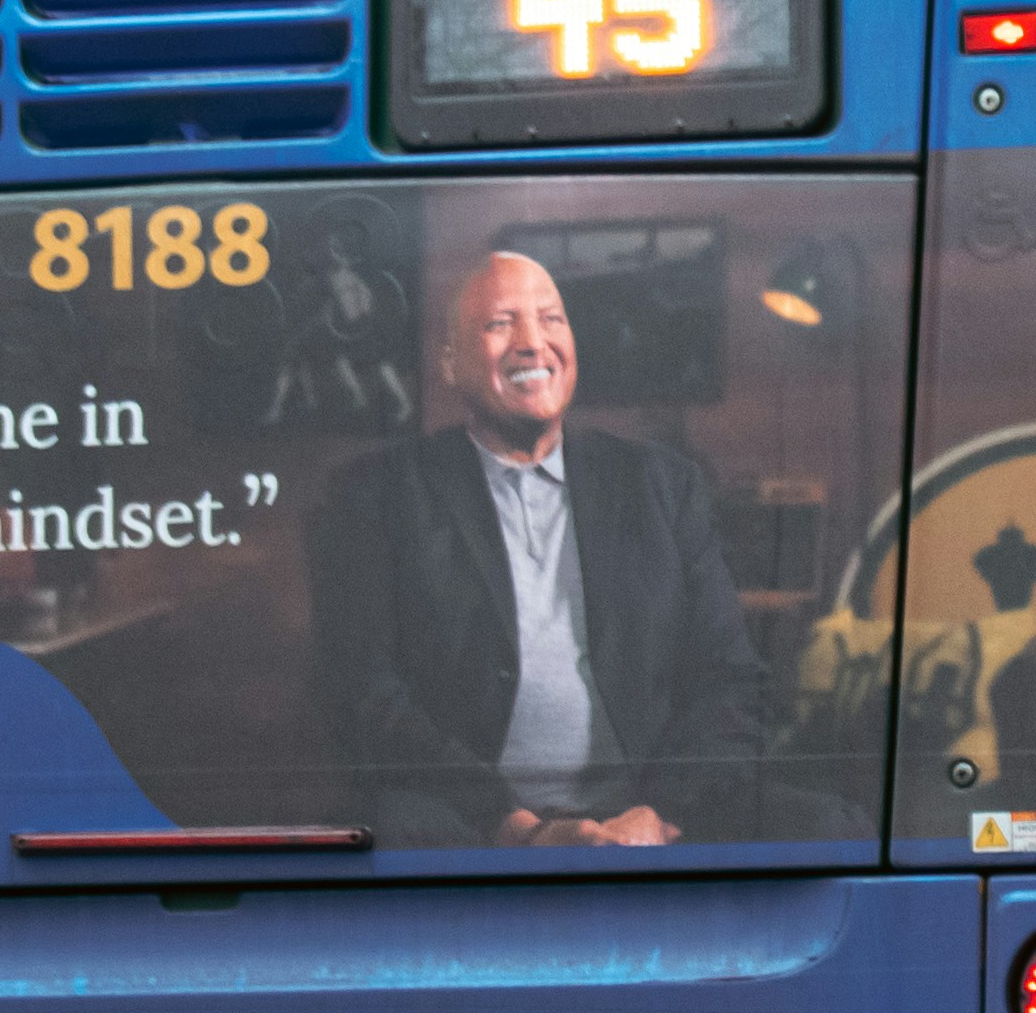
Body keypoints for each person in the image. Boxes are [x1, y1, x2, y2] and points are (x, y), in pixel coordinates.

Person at [319, 247, 767, 846]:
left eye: (551, 319)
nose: (533, 342)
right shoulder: (381, 494)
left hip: (647, 811)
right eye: (501, 324)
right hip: (472, 819)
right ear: (449, 364)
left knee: (829, 826)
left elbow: (730, 679)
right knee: (399, 831)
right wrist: (516, 829)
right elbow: (366, 698)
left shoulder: (661, 484)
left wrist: (659, 814)